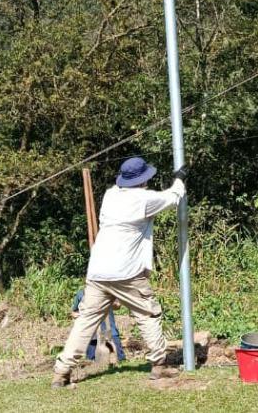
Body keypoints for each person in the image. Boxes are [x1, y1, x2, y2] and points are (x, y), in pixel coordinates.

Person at [52, 157, 186, 388]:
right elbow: (174, 196)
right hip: (127, 273)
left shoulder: (110, 195)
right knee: (148, 314)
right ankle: (158, 366)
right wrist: (180, 178)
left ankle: (61, 372)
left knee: (85, 322)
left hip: (98, 271)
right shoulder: (143, 200)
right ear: (143, 180)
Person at [71, 288, 126, 362]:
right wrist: (78, 315)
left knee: (120, 358)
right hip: (91, 331)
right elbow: (74, 312)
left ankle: (118, 365)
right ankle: (96, 366)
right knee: (91, 359)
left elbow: (118, 306)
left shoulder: (108, 291)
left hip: (108, 327)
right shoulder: (81, 293)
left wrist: (110, 303)